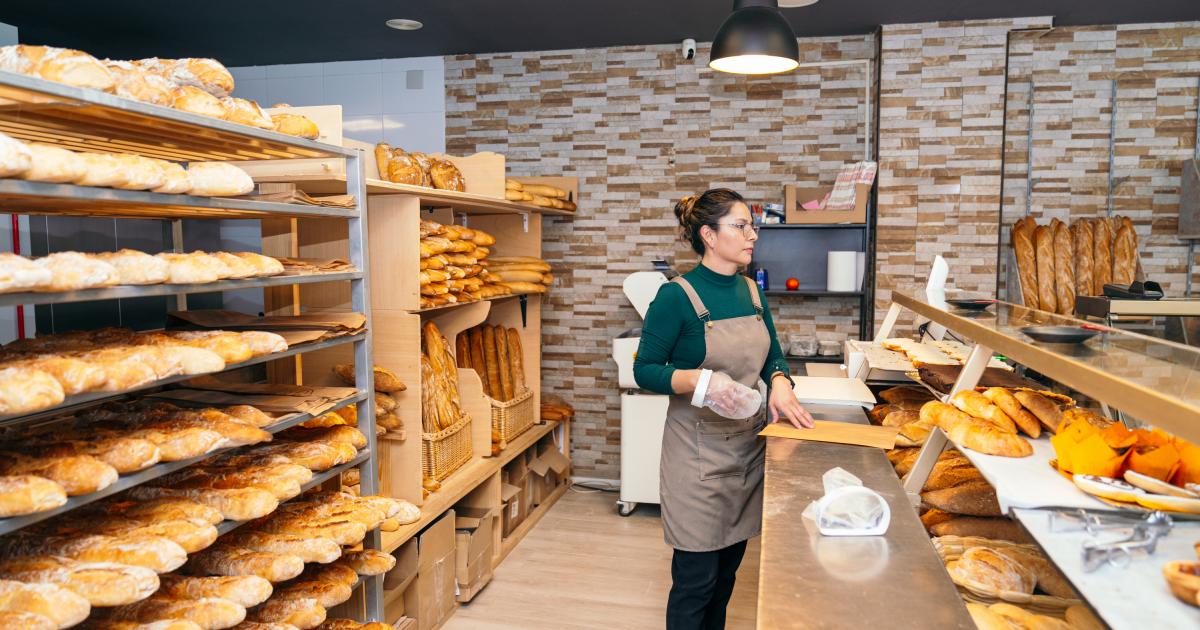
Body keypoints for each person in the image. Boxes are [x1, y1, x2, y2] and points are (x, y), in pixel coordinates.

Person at [633, 188, 814, 630]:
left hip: (746, 453)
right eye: (741, 226)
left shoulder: (751, 291)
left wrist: (780, 382)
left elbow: (773, 353)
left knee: (727, 577)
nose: (752, 235)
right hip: (696, 458)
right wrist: (696, 379)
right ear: (708, 236)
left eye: (751, 226)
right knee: (696, 582)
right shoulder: (677, 297)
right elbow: (645, 370)